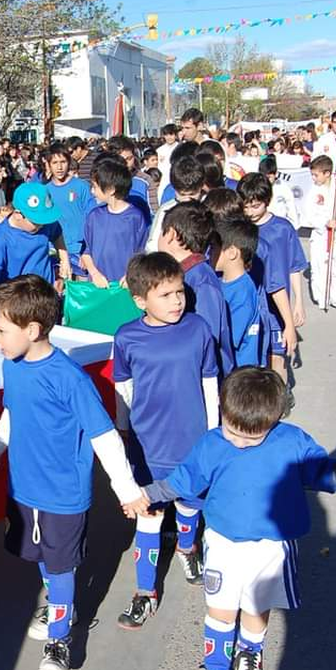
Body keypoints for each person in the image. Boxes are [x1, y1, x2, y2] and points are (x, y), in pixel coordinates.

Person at [137, 367, 336, 670]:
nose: (238, 442)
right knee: (219, 609)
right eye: (232, 430)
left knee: (255, 606)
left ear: (275, 419)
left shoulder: (293, 442)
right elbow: (184, 481)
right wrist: (145, 495)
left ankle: (250, 652)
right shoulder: (212, 443)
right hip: (221, 542)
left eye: (251, 438)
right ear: (223, 410)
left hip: (271, 546)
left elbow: (321, 473)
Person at [0, 275, 147, 670]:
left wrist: (127, 491)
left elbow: (104, 436)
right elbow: (12, 412)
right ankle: (60, 602)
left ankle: (61, 637)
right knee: (42, 558)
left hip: (62, 495)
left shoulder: (70, 379)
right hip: (24, 488)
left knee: (60, 566)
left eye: (1, 330)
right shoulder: (11, 364)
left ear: (33, 330)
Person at [114, 252, 219, 623]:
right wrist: (122, 428)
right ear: (140, 300)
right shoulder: (126, 336)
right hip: (147, 446)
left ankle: (188, 549)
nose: (177, 300)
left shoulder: (198, 329)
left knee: (191, 506)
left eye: (179, 292)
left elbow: (210, 382)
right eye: (166, 294)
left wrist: (214, 434)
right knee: (149, 516)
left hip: (193, 444)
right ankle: (145, 591)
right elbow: (122, 386)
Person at [238, 173, 306, 394]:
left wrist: (298, 303)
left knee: (278, 357)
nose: (250, 212)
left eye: (255, 206)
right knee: (257, 357)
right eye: (246, 207)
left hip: (277, 307)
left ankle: (279, 396)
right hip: (253, 305)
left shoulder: (283, 229)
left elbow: (294, 267)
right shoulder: (242, 230)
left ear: (266, 201)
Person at [158, 203, 234, 379]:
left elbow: (208, 338)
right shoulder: (186, 274)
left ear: (170, 234)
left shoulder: (200, 281)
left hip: (202, 379)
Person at [0, 182, 68, 291]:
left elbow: (56, 233)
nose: (42, 225)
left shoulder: (44, 224)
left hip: (48, 293)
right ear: (18, 214)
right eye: (36, 222)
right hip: (20, 300)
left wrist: (64, 261)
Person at [79, 157, 148, 285]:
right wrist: (94, 273)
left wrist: (131, 275)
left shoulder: (135, 217)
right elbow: (86, 251)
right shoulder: (94, 216)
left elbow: (142, 253)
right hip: (98, 285)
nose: (92, 191)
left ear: (111, 189)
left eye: (95, 186)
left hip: (125, 286)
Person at [213, 218, 263, 366]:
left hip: (240, 373)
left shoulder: (243, 292)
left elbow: (232, 338)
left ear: (232, 252)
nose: (210, 253)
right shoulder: (221, 282)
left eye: (214, 247)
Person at [43, 142, 95, 277]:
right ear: (48, 165)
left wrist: (87, 250)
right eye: (55, 163)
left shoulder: (81, 186)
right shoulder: (45, 191)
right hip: (55, 250)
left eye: (63, 162)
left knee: (82, 292)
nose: (59, 167)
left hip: (79, 249)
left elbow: (92, 219)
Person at [305, 154, 336, 310]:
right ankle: (322, 297)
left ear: (327, 173)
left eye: (316, 175)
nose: (313, 178)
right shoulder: (314, 191)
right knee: (319, 266)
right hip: (321, 234)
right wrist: (325, 223)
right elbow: (309, 216)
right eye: (312, 175)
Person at [146, 155, 206, 252]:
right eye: (182, 194)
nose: (187, 200)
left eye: (192, 194)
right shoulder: (165, 211)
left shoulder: (209, 207)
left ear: (202, 185)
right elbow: (152, 247)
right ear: (173, 188)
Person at [259, 154, 299, 229]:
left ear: (276, 173)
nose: (266, 180)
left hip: (279, 225)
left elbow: (291, 207)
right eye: (264, 176)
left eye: (269, 177)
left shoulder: (283, 188)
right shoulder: (257, 187)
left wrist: (294, 226)